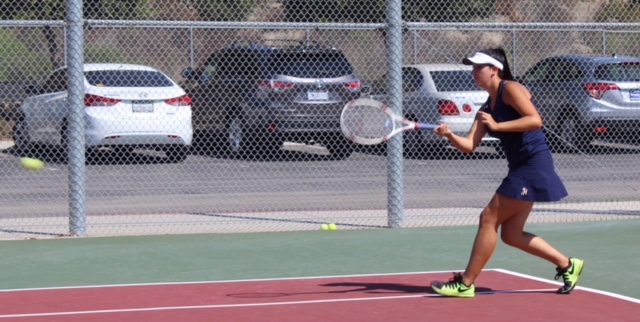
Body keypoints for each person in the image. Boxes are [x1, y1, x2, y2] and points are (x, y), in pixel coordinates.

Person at [430, 48, 584, 298]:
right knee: (511, 235)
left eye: (479, 67)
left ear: (494, 69)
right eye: (473, 67)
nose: (474, 71)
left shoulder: (511, 89)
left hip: (533, 164)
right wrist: (448, 134)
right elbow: (469, 146)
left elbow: (535, 119)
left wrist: (498, 125)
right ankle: (568, 264)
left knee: (488, 218)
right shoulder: (485, 108)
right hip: (520, 167)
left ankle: (465, 283)